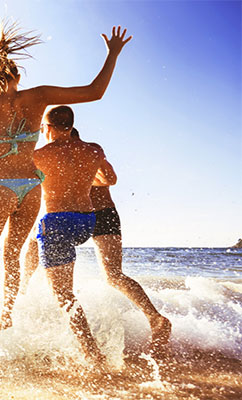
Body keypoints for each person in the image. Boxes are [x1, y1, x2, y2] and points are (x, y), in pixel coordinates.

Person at [0, 22, 132, 337]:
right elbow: (95, 92)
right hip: (30, 187)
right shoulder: (39, 96)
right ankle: (8, 315)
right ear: (17, 77)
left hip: (1, 182)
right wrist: (112, 54)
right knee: (12, 254)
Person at [23, 128, 172, 357]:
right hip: (104, 214)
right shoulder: (93, 151)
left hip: (82, 215)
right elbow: (110, 179)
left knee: (37, 237)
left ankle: (22, 289)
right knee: (114, 275)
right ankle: (154, 317)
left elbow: (108, 180)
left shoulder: (70, 153)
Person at [33, 106, 112, 365]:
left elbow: (23, 183)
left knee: (63, 295)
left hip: (57, 221)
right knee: (38, 241)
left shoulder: (40, 155)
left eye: (44, 127)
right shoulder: (94, 150)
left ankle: (92, 354)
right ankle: (91, 346)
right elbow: (109, 178)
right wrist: (83, 178)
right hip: (86, 222)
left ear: (50, 127)